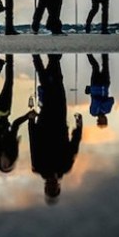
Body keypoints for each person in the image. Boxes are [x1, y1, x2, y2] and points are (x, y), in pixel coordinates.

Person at [29, 54, 83, 203]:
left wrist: (31, 121)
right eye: (54, 189)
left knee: (48, 88)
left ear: (45, 187)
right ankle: (48, 56)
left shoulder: (39, 167)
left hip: (45, 121)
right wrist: (79, 126)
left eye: (49, 189)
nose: (52, 186)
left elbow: (33, 143)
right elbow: (74, 145)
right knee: (57, 85)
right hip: (59, 119)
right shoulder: (65, 167)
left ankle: (43, 57)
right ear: (59, 186)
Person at [85, 54, 114, 128]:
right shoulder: (107, 110)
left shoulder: (93, 112)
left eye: (103, 121)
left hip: (95, 84)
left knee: (95, 66)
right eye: (105, 120)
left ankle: (88, 52)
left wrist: (102, 102)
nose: (105, 119)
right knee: (105, 64)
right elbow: (111, 100)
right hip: (105, 84)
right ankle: (105, 51)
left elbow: (95, 101)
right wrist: (102, 104)